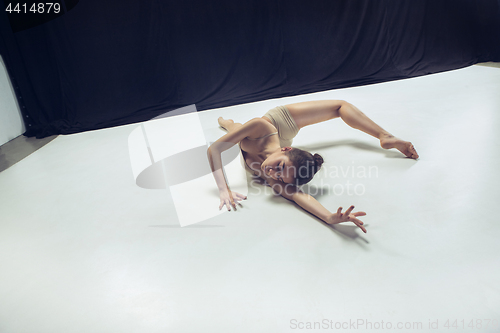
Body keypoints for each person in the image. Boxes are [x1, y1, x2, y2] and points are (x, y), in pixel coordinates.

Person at [207, 100, 419, 233]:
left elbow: (299, 196)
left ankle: (229, 124)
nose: (272, 173)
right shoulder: (261, 126)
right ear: (286, 149)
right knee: (339, 106)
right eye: (279, 167)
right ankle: (385, 136)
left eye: (280, 176)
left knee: (236, 132)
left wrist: (330, 217)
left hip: (260, 144)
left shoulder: (276, 179)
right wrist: (223, 189)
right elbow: (214, 150)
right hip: (278, 126)